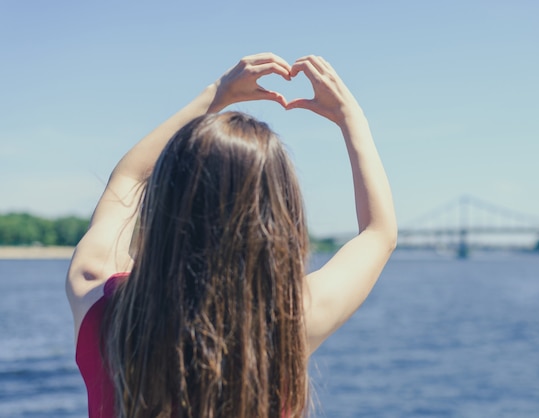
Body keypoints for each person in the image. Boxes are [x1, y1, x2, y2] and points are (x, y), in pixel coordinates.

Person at [66, 53, 396, 418]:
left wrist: (216, 94)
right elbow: (379, 234)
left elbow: (128, 181)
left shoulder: (97, 299)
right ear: (278, 222)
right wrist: (351, 118)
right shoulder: (288, 325)